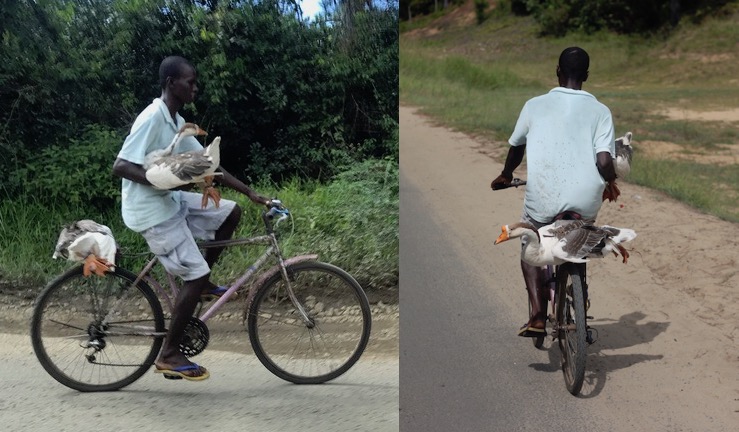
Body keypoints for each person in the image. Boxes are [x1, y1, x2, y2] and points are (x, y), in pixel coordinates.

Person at [112, 55, 270, 380]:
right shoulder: (152, 118)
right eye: (190, 82)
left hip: (168, 200)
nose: (195, 87)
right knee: (193, 277)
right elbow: (121, 166)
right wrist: (158, 178)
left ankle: (203, 280)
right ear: (171, 83)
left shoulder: (176, 120)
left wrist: (250, 193)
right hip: (150, 210)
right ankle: (169, 354)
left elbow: (206, 163)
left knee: (230, 211)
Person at [490, 47, 619, 338]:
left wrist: (506, 175)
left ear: (557, 71)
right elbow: (603, 162)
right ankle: (580, 300)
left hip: (544, 195)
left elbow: (517, 147)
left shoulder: (534, 105)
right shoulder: (601, 111)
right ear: (586, 76)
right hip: (585, 198)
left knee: (530, 241)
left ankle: (537, 316)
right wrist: (610, 181)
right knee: (580, 234)